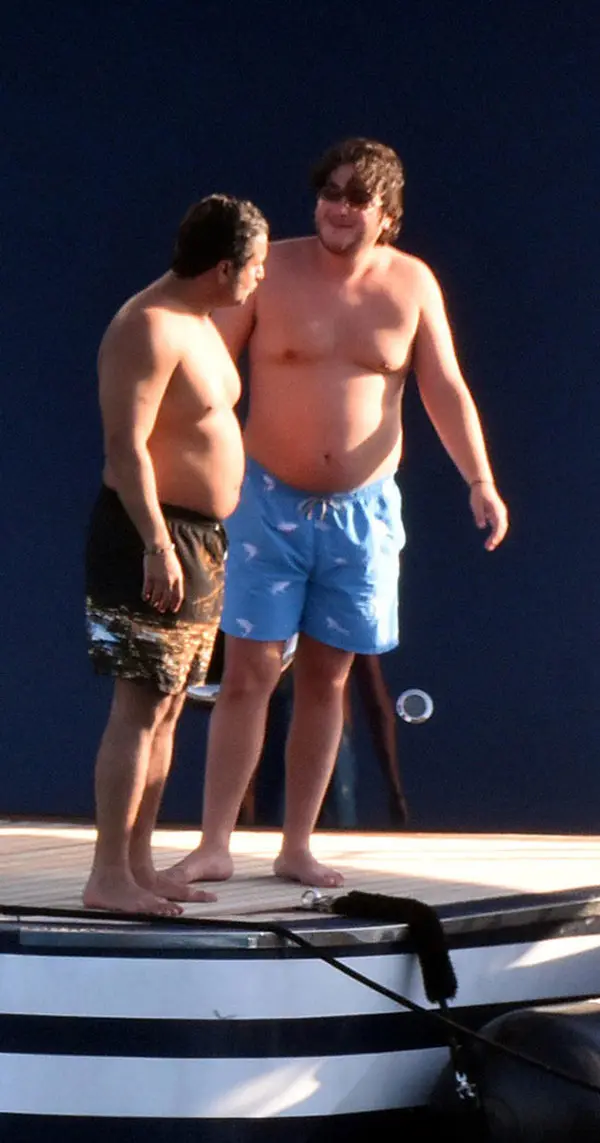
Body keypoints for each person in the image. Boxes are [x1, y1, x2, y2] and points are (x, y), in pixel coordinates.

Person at [168, 137, 509, 891]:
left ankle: (297, 845)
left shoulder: (412, 283)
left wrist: (479, 479)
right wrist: (188, 468)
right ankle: (215, 843)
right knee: (249, 673)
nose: (340, 208)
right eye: (330, 192)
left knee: (329, 679)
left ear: (388, 213)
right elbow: (207, 372)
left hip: (363, 513)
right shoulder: (269, 269)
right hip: (265, 502)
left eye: (358, 197)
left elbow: (444, 387)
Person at [82, 193, 268, 915]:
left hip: (198, 540)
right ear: (223, 268)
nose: (260, 278)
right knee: (137, 706)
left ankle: (138, 863)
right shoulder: (148, 325)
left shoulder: (202, 321)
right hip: (148, 535)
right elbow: (125, 446)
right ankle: (107, 875)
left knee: (167, 708)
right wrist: (157, 542)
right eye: (255, 266)